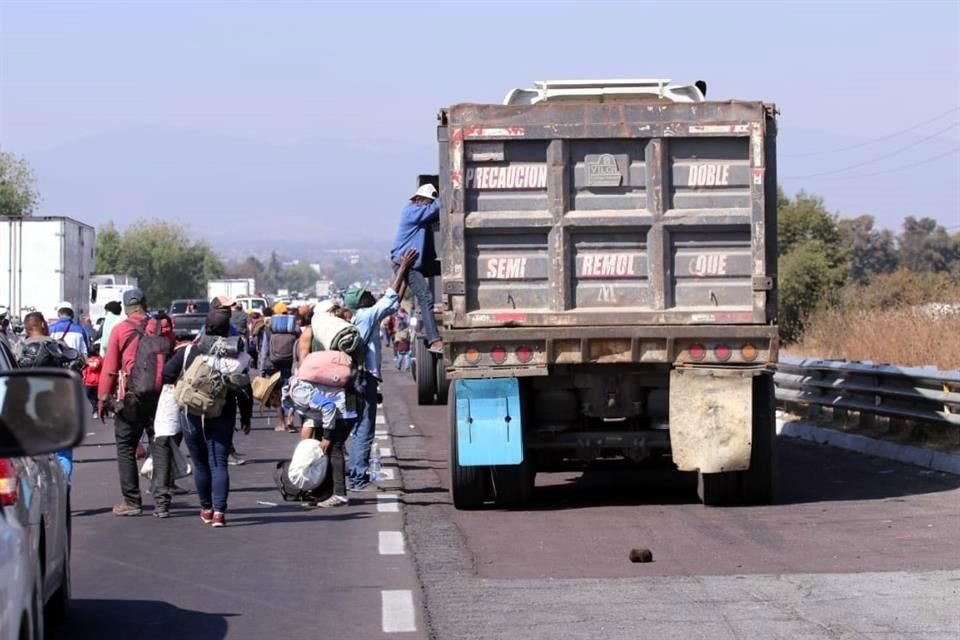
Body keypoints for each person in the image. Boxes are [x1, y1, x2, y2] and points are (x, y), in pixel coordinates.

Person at [165, 308, 253, 528]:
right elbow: (244, 389)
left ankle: (205, 508)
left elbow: (167, 373)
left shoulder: (191, 350)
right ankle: (219, 513)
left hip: (191, 412)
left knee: (200, 462)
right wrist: (246, 416)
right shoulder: (239, 356)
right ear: (228, 328)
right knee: (218, 462)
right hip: (222, 412)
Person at [343, 249, 417, 492]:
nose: (371, 297)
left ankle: (356, 473)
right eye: (367, 296)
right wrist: (403, 268)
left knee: (358, 428)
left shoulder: (362, 317)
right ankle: (358, 477)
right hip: (364, 379)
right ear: (361, 302)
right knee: (364, 429)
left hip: (357, 379)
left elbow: (392, 303)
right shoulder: (365, 315)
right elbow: (388, 299)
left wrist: (403, 275)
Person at [98, 288, 176, 517]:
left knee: (126, 446)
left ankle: (132, 502)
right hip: (159, 396)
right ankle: (162, 502)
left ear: (125, 308)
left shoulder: (120, 329)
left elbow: (110, 368)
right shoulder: (162, 328)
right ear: (145, 303)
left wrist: (104, 398)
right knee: (160, 445)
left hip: (130, 397)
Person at [16, 311, 76, 482]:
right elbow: (78, 362)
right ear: (42, 324)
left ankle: (38, 488)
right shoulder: (58, 346)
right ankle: (64, 488)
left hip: (28, 410)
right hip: (58, 407)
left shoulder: (18, 349)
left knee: (32, 456)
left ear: (27, 328)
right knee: (63, 453)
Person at [390, 183, 443, 354]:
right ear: (420, 200)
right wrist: (449, 193)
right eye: (428, 200)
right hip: (406, 263)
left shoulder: (418, 213)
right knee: (426, 298)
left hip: (410, 263)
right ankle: (434, 340)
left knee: (404, 298)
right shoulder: (412, 211)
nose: (429, 204)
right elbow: (436, 207)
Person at [82, 343, 103, 417]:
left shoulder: (87, 361)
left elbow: (84, 370)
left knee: (90, 396)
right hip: (98, 381)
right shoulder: (100, 360)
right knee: (97, 396)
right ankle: (98, 408)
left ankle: (95, 409)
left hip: (89, 382)